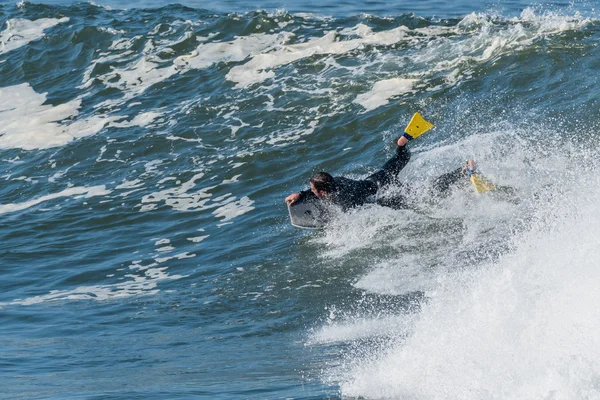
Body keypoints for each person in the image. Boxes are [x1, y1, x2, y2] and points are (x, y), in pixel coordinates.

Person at [285, 134, 473, 211]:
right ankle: (401, 145)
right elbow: (320, 191)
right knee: (400, 159)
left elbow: (355, 210)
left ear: (324, 192)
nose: (312, 191)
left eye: (313, 189)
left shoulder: (343, 199)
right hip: (378, 178)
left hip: (384, 191)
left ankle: (463, 171)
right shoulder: (336, 181)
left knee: (426, 192)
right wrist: (302, 194)